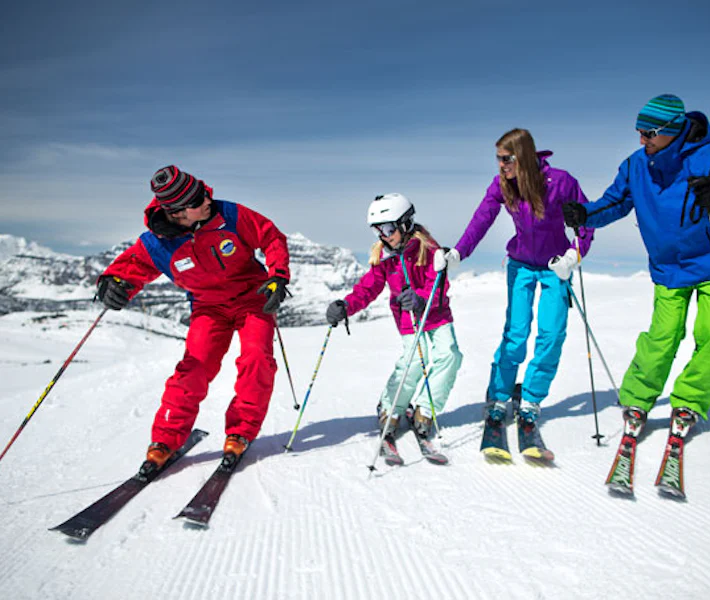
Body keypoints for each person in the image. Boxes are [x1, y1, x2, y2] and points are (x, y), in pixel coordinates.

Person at [562, 93, 710, 442]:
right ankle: (638, 399)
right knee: (663, 336)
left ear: (672, 130)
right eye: (638, 132)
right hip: (668, 268)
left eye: (648, 133)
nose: (641, 139)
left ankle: (689, 400)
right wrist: (586, 215)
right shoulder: (636, 165)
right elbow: (617, 202)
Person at [97, 165, 291, 473]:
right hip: (208, 308)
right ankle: (165, 439)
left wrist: (278, 275)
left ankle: (240, 431)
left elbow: (271, 237)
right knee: (194, 367)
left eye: (203, 192)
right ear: (176, 213)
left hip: (253, 300)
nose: (206, 200)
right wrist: (112, 284)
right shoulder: (157, 244)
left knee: (256, 359)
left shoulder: (230, 215)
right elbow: (127, 270)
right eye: (197, 200)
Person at [435, 128, 594, 458]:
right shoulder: (502, 185)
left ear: (523, 156)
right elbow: (482, 218)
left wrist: (574, 256)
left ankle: (531, 400)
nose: (501, 165)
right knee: (516, 334)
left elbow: (585, 221)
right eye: (498, 159)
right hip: (520, 264)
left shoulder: (561, 182)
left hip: (554, 267)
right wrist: (459, 253)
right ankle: (498, 398)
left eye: (506, 159)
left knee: (551, 334)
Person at [325, 193, 462, 459]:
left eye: (388, 228)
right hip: (408, 319)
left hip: (436, 314)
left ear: (406, 223)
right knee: (412, 361)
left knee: (449, 355)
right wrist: (346, 306)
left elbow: (440, 284)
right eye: (378, 230)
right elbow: (368, 288)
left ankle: (424, 409)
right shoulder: (384, 257)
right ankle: (390, 407)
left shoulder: (431, 250)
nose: (383, 236)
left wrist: (422, 299)